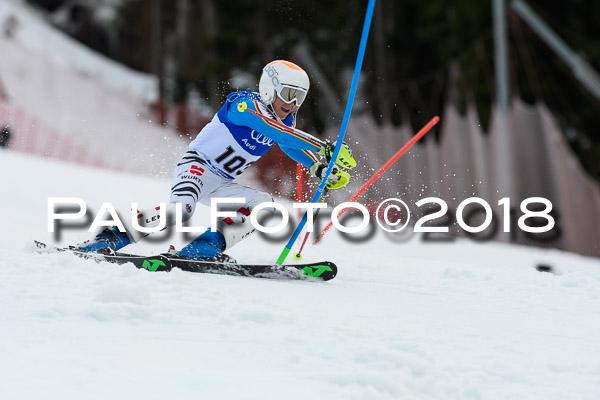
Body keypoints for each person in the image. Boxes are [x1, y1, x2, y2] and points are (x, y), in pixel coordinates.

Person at [77, 60, 356, 261]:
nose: (293, 104)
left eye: (300, 97)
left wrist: (318, 166)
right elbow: (276, 132)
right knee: (180, 212)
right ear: (269, 88)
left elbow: (287, 142)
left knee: (265, 207)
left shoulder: (285, 119)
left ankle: (203, 248)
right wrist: (324, 147)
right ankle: (110, 237)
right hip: (197, 167)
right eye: (289, 94)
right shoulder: (244, 105)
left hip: (221, 182)